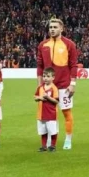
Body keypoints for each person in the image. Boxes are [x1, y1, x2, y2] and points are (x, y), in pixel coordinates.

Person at [36, 18, 78, 149]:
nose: (52, 29)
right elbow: (40, 66)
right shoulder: (43, 45)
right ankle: (50, 140)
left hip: (64, 85)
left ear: (61, 29)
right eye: (50, 27)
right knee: (49, 115)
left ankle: (68, 139)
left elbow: (73, 65)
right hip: (48, 87)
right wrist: (40, 85)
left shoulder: (69, 44)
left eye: (55, 27)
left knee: (66, 112)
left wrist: (72, 84)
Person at [35, 67, 59, 152]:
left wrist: (48, 97)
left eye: (48, 76)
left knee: (53, 131)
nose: (45, 78)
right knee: (43, 131)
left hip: (51, 114)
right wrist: (39, 98)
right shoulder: (40, 87)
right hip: (41, 113)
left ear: (53, 77)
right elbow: (35, 97)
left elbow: (56, 101)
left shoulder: (54, 88)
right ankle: (43, 146)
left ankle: (53, 146)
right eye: (44, 76)